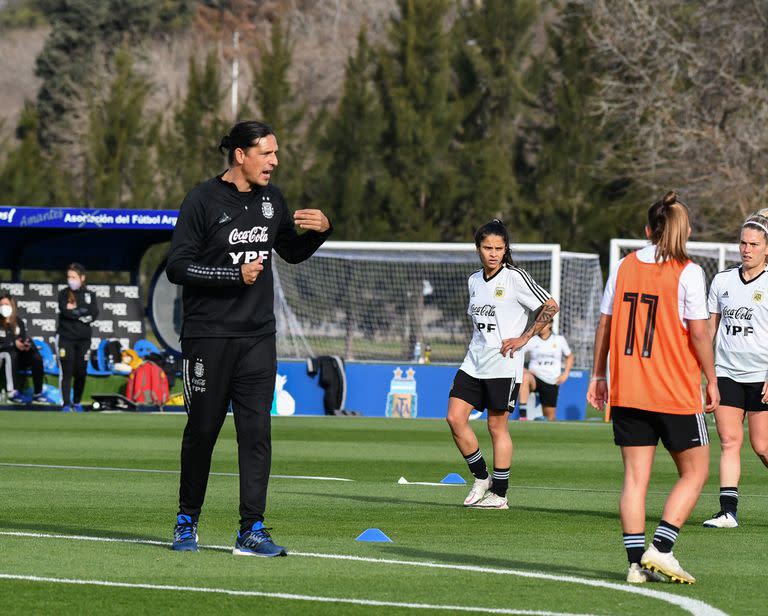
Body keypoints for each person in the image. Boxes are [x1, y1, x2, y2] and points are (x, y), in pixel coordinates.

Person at [166, 120, 332, 556]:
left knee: (256, 434)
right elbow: (177, 267)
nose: (275, 162)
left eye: (276, 153)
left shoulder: (272, 200)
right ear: (240, 154)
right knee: (202, 431)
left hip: (258, 337)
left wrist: (320, 233)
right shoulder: (201, 200)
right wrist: (231, 275)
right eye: (267, 153)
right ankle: (187, 521)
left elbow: (290, 252)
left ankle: (251, 529)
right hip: (207, 337)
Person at [587, 191, 718, 585]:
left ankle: (634, 565)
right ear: (686, 231)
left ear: (647, 230)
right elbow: (698, 334)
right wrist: (712, 379)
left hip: (628, 389)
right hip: (674, 391)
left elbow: (605, 324)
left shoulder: (624, 265)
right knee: (696, 472)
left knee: (634, 479)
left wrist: (598, 375)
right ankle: (660, 549)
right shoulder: (688, 271)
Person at [447, 219, 559, 510]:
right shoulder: (473, 280)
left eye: (499, 248)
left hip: (504, 365)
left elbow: (551, 305)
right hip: (473, 361)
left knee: (496, 427)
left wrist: (525, 337)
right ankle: (481, 477)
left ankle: (500, 494)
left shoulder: (515, 277)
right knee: (455, 418)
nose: (493, 253)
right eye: (487, 248)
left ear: (505, 249)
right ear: (478, 248)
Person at [701, 212, 768, 529]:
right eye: (743, 243)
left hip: (762, 376)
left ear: (766, 249)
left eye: (754, 244)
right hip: (727, 373)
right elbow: (708, 332)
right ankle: (728, 511)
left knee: (763, 446)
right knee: (729, 441)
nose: (747, 249)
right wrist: (704, 374)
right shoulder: (722, 281)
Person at [57, 263, 98, 413]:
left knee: (81, 371)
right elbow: (65, 312)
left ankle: (77, 402)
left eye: (74, 277)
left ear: (82, 278)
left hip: (83, 339)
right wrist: (80, 313)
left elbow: (93, 313)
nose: (71, 280)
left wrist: (76, 311)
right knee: (67, 371)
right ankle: (66, 404)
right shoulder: (63, 294)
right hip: (66, 338)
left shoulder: (89, 295)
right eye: (69, 277)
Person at [517, 322, 573, 421]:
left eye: (544, 324)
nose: (541, 326)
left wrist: (566, 373)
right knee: (525, 377)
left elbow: (569, 356)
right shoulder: (532, 340)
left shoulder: (559, 340)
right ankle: (523, 415)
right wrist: (524, 369)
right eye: (539, 324)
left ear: (550, 324)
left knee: (550, 417)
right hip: (535, 377)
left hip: (552, 379)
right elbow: (518, 355)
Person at [0, 291, 45, 404]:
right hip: (4, 356)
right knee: (10, 353)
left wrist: (26, 345)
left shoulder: (18, 322)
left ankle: (37, 393)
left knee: (36, 358)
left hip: (18, 356)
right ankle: (12, 392)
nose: (4, 307)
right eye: (1, 305)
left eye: (6, 304)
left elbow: (23, 338)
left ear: (12, 306)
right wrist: (12, 344)